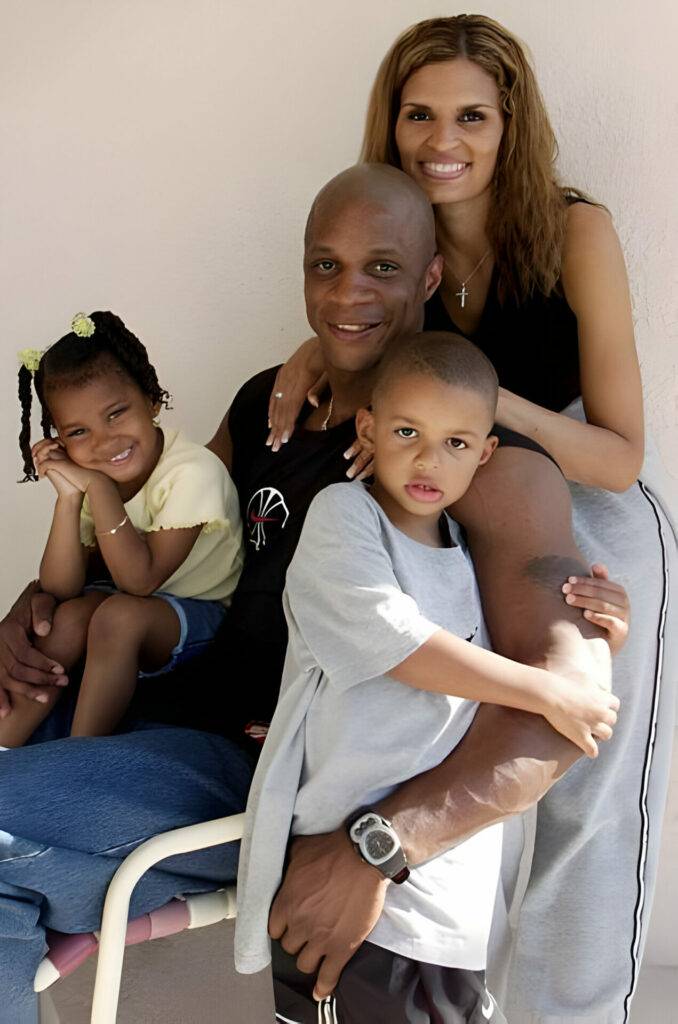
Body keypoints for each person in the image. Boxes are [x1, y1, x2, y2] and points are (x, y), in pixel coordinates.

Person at [0, 165, 626, 1021]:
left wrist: (381, 846)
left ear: (431, 278)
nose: (347, 293)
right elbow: (153, 552)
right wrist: (30, 614)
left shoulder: (474, 463)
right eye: (324, 266)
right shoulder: (271, 404)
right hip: (145, 721)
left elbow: (567, 708)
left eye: (382, 267)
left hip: (259, 772)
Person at [267, 16, 676, 1024]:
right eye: (419, 114)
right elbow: (365, 341)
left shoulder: (574, 229)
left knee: (585, 781)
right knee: (448, 745)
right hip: (463, 499)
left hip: (590, 498)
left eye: (471, 116)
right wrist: (316, 355)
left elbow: (622, 452)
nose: (441, 138)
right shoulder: (397, 234)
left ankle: (581, 1011)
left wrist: (486, 402)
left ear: (511, 125)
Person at [236, 330, 621, 1024]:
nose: (427, 458)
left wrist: (601, 626)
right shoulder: (343, 518)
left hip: (446, 905)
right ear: (369, 430)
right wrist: (546, 689)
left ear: (485, 453)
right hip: (343, 885)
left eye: (455, 443)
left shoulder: (469, 557)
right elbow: (397, 641)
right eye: (408, 431)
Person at [5, 310, 242, 745]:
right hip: (139, 605)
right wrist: (69, 497)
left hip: (206, 618)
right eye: (78, 431)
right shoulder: (96, 480)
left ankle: (80, 755)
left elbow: (140, 581)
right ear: (58, 437)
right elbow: (60, 587)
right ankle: (5, 741)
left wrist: (96, 488)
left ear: (152, 399)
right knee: (69, 617)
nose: (103, 441)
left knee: (118, 616)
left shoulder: (192, 471)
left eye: (116, 414)